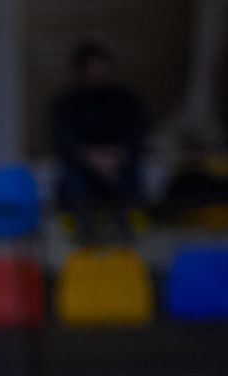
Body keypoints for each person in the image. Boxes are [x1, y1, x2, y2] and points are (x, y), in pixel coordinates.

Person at [51, 40, 150, 243]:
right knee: (72, 179)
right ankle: (86, 234)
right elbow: (63, 139)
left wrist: (117, 156)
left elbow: (137, 133)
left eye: (100, 65)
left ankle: (124, 231)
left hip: (119, 163)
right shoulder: (65, 101)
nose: (97, 72)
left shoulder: (127, 99)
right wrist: (91, 158)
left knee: (131, 174)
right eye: (91, 66)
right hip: (82, 165)